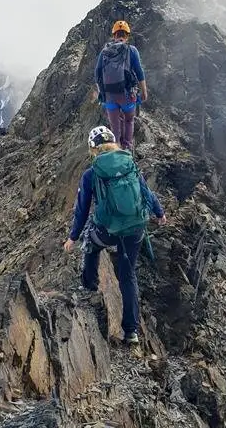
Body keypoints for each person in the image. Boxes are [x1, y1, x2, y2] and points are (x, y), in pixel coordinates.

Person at [63, 126, 166, 344]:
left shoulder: (91, 173)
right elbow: (146, 192)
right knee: (127, 276)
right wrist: (159, 213)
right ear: (113, 142)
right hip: (136, 229)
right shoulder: (129, 163)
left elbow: (82, 209)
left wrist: (73, 237)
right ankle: (131, 332)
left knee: (91, 243)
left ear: (93, 148)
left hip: (107, 231)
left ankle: (89, 285)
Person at [94, 20, 147, 151]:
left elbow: (97, 73)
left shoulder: (104, 52)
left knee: (115, 128)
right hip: (127, 95)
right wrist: (144, 92)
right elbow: (139, 72)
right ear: (127, 35)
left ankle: (116, 151)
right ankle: (127, 149)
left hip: (110, 96)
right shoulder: (131, 50)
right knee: (129, 121)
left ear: (114, 35)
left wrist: (102, 93)